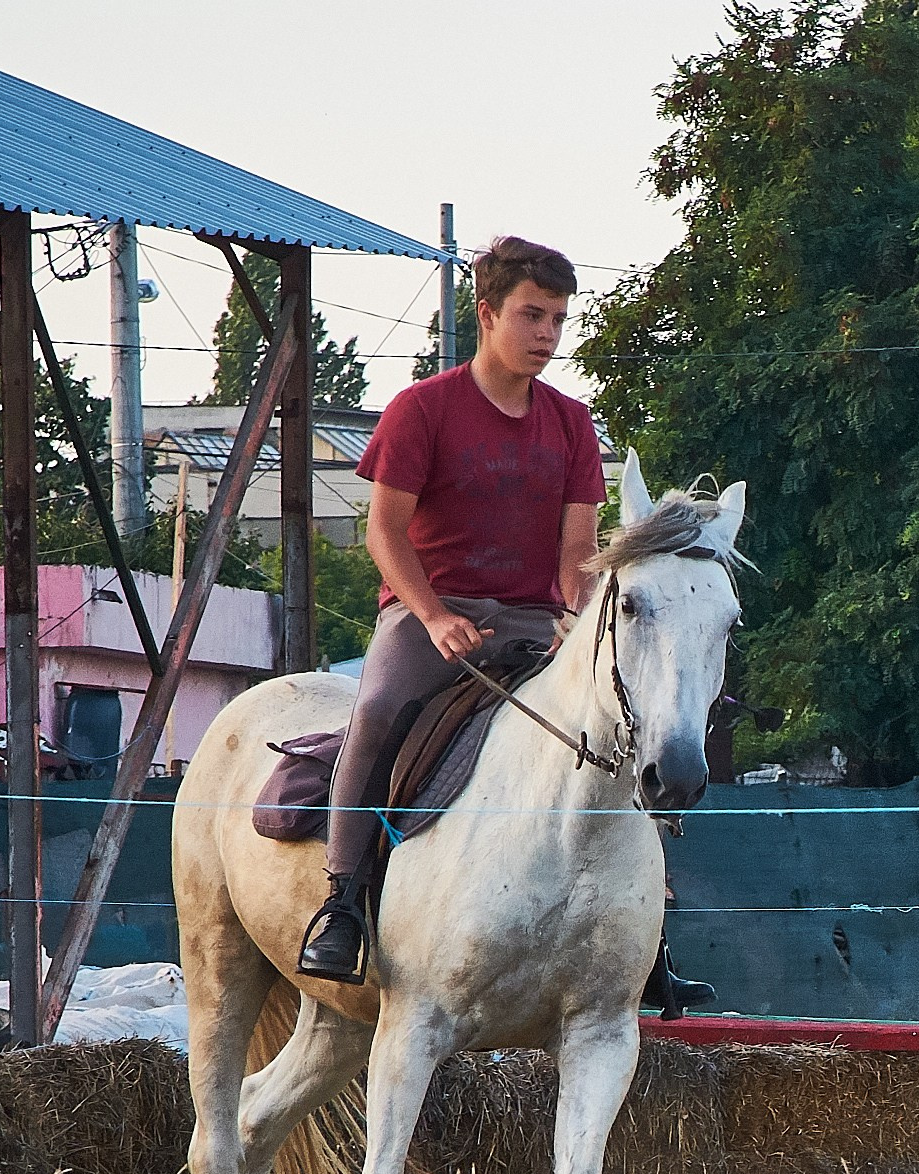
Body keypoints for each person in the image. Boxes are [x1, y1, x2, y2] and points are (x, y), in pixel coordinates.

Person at [297, 235, 714, 1014]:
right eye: (532, 315)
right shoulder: (422, 409)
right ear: (487, 314)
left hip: (534, 622)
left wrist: (575, 617)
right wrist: (433, 615)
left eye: (557, 319)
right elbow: (384, 532)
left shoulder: (572, 423)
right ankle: (342, 904)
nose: (547, 334)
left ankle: (647, 940)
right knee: (378, 711)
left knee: (619, 725)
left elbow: (578, 554)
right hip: (429, 614)